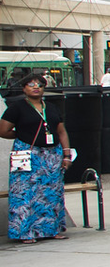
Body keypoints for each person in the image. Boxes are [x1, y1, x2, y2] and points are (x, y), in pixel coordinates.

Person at [3, 71, 74, 242]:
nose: (36, 88)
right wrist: (21, 136)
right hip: (28, 153)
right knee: (25, 193)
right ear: (24, 88)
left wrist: (66, 155)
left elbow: (61, 131)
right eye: (31, 85)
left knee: (51, 193)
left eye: (40, 85)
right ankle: (25, 232)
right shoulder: (17, 108)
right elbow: (3, 130)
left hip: (51, 155)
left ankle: (52, 229)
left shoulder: (51, 107)